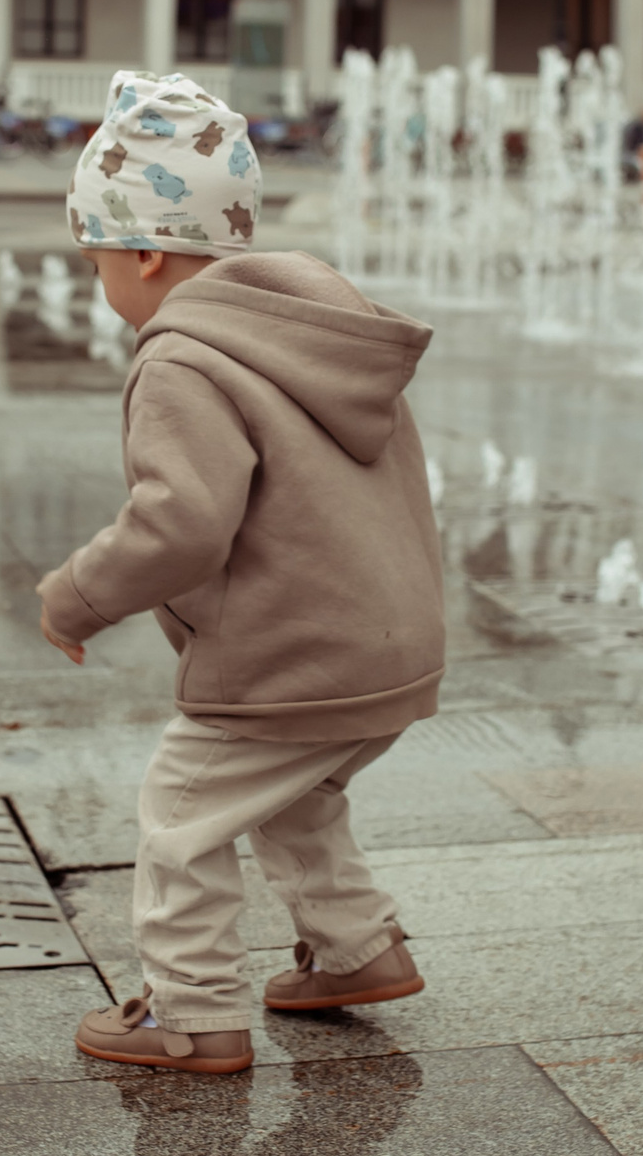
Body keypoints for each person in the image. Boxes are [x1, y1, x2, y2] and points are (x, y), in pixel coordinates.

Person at [37, 71, 446, 1076]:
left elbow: (180, 524)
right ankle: (358, 948)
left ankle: (191, 1011)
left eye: (96, 263)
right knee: (291, 790)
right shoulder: (321, 329)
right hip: (388, 647)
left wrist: (77, 595)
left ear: (144, 252)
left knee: (181, 816)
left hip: (285, 654)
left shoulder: (182, 358)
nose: (101, 287)